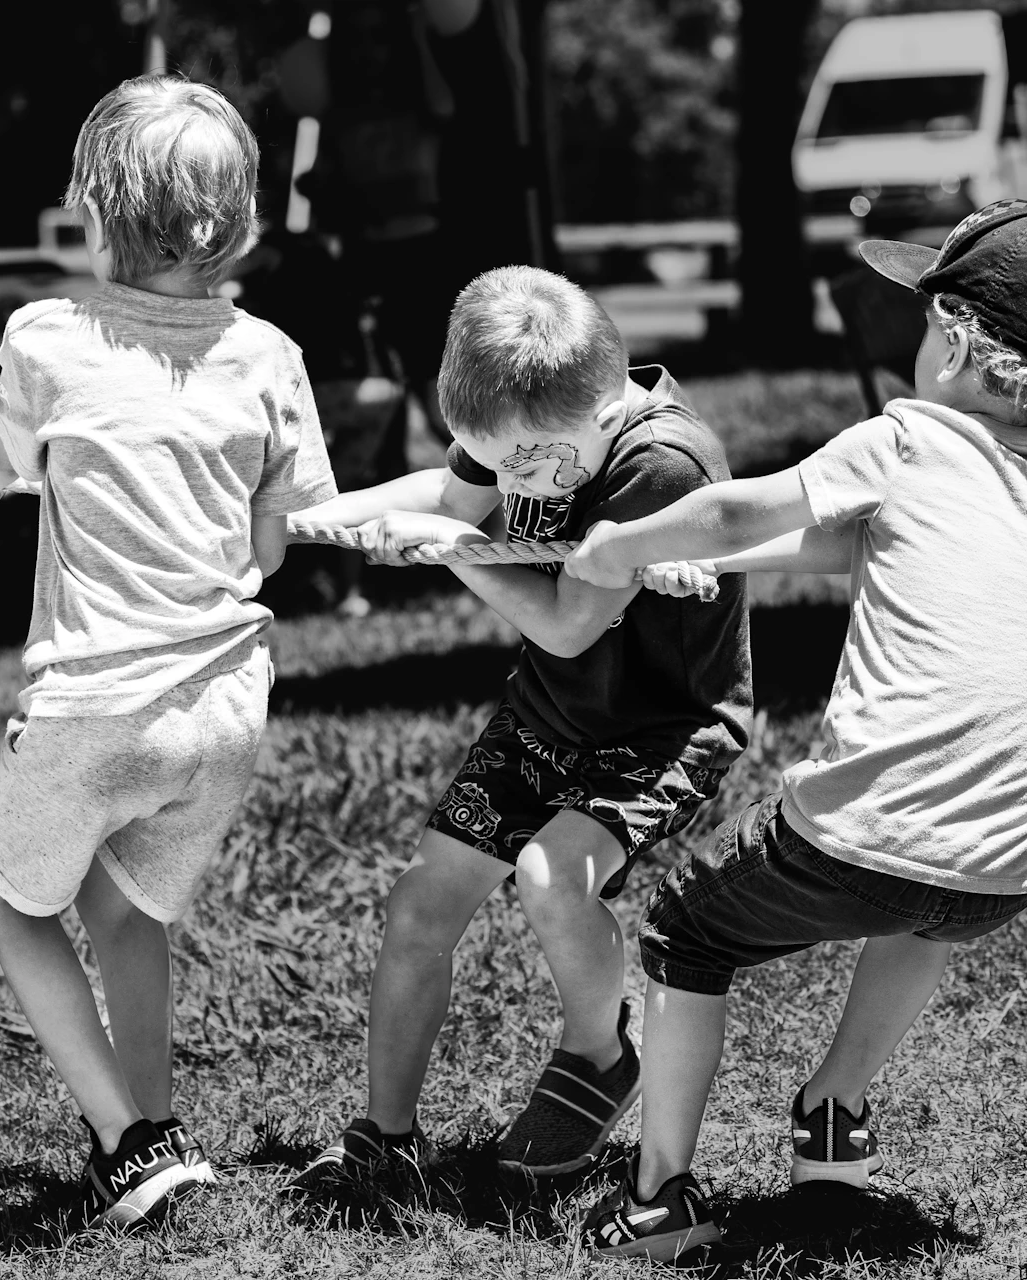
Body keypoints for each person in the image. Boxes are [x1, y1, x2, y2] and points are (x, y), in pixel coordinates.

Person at [566, 201, 1027, 1262]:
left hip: (856, 839)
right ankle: (836, 1112)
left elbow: (739, 509)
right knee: (925, 908)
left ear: (953, 340)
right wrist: (712, 567)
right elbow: (863, 547)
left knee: (687, 930)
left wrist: (618, 544)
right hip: (1007, 863)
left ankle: (662, 1197)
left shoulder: (905, 435)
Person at [0, 75, 336, 1228]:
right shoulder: (269, 354)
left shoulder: (47, 337)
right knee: (129, 914)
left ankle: (125, 1137)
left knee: (6, 890)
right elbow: (276, 537)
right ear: (243, 218)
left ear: (97, 211)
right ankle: (151, 1140)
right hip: (226, 703)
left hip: (100, 698)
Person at [285, 266, 751, 1194]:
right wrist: (306, 525)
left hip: (662, 729)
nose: (509, 482)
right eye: (491, 461)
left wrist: (454, 552)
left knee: (550, 877)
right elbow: (451, 495)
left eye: (528, 467)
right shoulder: (525, 423)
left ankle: (598, 1055)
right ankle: (387, 1138)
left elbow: (569, 620)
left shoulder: (661, 464)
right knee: (420, 903)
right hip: (550, 713)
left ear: (607, 406)